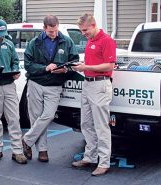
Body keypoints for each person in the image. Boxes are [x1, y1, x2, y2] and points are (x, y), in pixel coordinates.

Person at [22, 15, 79, 162]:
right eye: (50, 31)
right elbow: (28, 65)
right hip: (36, 83)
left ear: (57, 27)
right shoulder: (34, 43)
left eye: (55, 31)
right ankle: (42, 151)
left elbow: (74, 61)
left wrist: (65, 70)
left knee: (48, 115)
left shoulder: (67, 42)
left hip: (54, 85)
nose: (53, 34)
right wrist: (45, 68)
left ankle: (27, 140)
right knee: (36, 118)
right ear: (44, 28)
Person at [71, 13, 116, 176]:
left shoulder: (107, 40)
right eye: (81, 31)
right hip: (88, 84)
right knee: (86, 123)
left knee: (101, 126)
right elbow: (93, 64)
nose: (83, 33)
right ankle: (89, 156)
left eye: (85, 30)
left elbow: (109, 65)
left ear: (93, 24)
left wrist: (86, 67)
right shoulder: (90, 40)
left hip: (100, 84)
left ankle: (103, 162)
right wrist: (83, 66)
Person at [0, 19, 27, 164]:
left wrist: (15, 71)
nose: (1, 36)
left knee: (14, 118)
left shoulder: (8, 44)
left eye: (3, 33)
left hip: (9, 84)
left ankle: (17, 151)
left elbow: (15, 61)